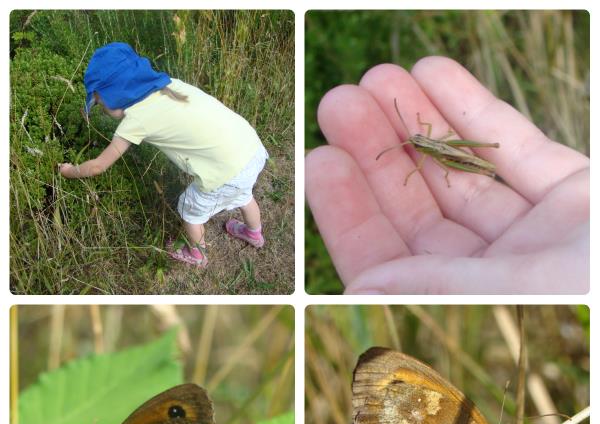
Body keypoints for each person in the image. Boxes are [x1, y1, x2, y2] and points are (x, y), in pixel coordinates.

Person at [305, 59, 589, 294]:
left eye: (416, 140)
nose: (414, 142)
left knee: (459, 157)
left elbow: (430, 163)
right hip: (445, 151)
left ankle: (487, 165)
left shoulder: (428, 151)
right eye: (413, 142)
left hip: (454, 155)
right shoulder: (423, 145)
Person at [59, 42, 268, 268]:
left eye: (100, 103)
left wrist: (70, 171)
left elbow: (98, 166)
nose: (102, 110)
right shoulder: (170, 84)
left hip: (226, 170)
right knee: (243, 193)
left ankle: (197, 254)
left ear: (114, 94)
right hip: (250, 147)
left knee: (190, 208)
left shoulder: (136, 120)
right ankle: (253, 233)